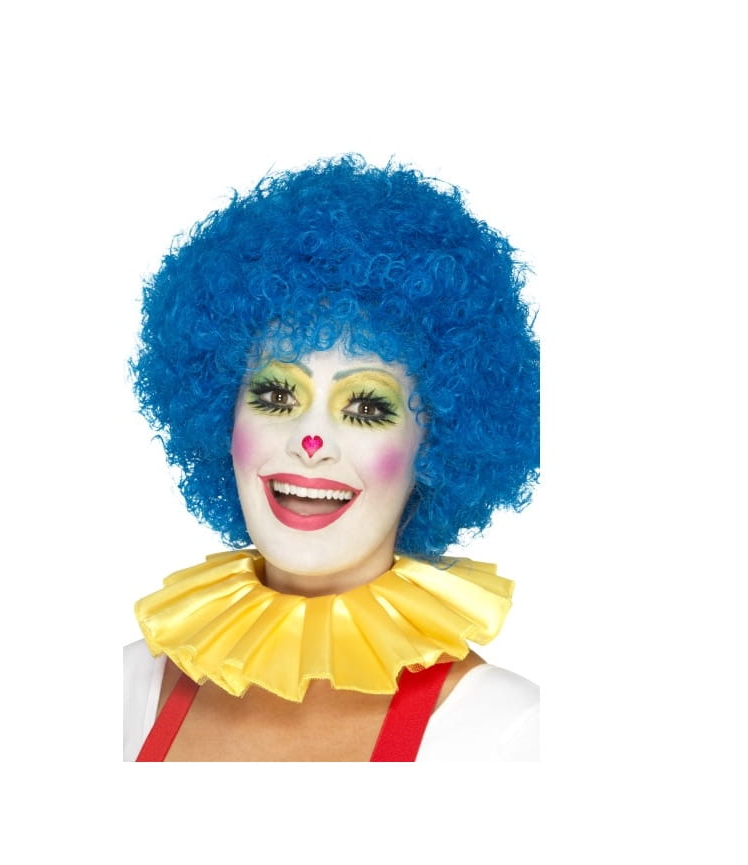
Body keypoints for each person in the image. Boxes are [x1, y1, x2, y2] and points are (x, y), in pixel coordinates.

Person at [123, 155, 539, 761]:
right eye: (276, 395)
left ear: (437, 444)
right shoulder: (128, 688)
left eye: (366, 407)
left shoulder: (506, 731)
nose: (310, 441)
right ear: (223, 419)